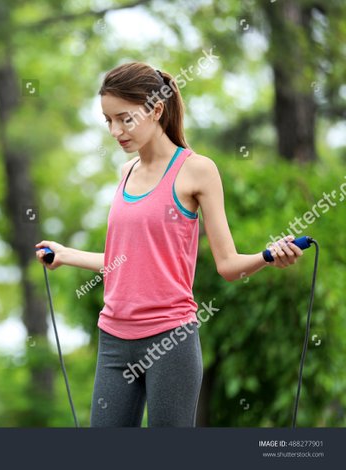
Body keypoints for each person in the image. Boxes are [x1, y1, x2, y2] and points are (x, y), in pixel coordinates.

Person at [35, 62, 304, 427]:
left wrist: (268, 256)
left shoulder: (197, 170)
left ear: (156, 109)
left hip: (170, 340)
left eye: (124, 119)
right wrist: (66, 255)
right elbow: (126, 261)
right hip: (114, 339)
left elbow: (227, 264)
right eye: (108, 121)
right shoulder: (125, 173)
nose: (115, 131)